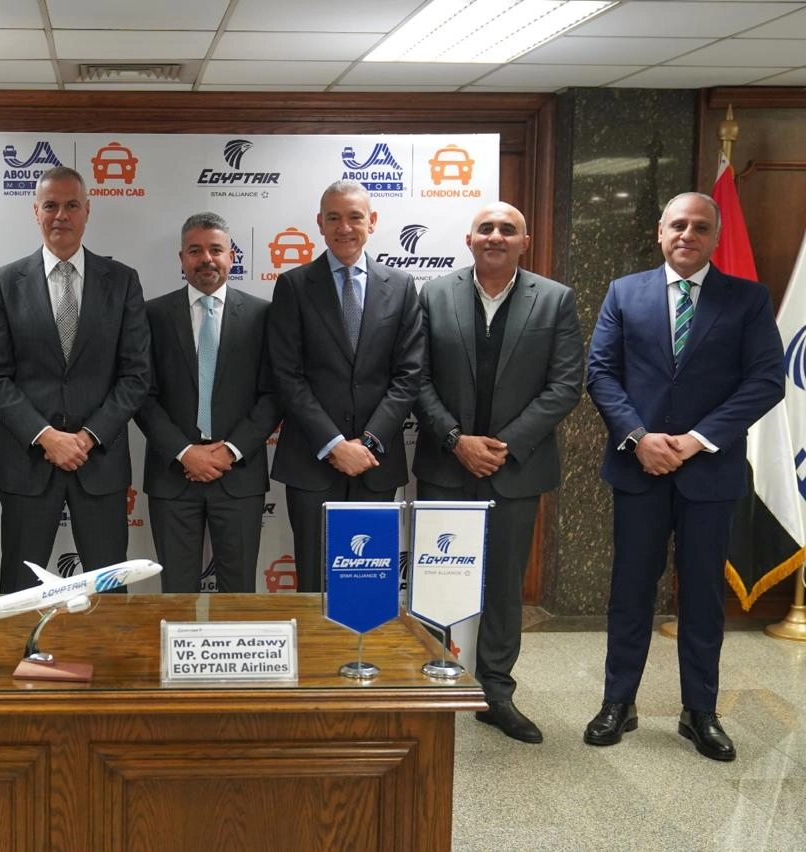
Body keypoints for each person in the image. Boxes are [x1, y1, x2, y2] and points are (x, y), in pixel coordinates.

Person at [584, 192, 784, 761]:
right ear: (660, 231)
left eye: (700, 227)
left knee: (702, 596)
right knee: (629, 591)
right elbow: (601, 373)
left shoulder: (747, 299)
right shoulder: (625, 292)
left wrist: (696, 440)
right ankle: (618, 702)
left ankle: (700, 711)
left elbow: (765, 381)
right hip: (639, 468)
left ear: (715, 237)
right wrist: (639, 438)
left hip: (710, 473)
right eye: (678, 225)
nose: (687, 235)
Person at [413, 201, 584, 744]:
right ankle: (430, 686)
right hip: (446, 463)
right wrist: (455, 440)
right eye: (485, 228)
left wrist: (502, 447)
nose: (495, 236)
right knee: (436, 582)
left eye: (507, 230)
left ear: (524, 242)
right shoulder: (434, 294)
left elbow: (565, 385)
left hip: (517, 469)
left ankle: (496, 694)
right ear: (468, 239)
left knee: (505, 586)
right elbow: (416, 377)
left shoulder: (555, 299)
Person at [0, 166, 150, 593]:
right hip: (28, 463)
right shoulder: (5, 282)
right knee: (19, 591)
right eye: (51, 205)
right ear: (35, 211)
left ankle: (109, 648)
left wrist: (88, 437)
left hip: (100, 462)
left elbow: (136, 374)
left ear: (87, 211)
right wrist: (46, 437)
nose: (61, 215)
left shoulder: (122, 281)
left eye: (72, 205)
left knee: (110, 590)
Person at [267, 180, 424, 593]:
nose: (344, 227)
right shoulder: (294, 286)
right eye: (333, 218)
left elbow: (408, 375)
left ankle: (364, 641)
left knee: (367, 585)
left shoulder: (401, 285)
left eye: (355, 217)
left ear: (372, 221)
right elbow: (287, 376)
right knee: (315, 585)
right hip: (312, 461)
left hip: (375, 464)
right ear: (320, 223)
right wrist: (335, 444)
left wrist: (368, 442)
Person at [134, 212, 281, 592]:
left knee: (239, 595)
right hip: (173, 476)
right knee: (176, 594)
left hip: (239, 476)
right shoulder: (152, 315)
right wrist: (185, 453)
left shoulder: (263, 315)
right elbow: (142, 394)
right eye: (195, 251)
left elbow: (273, 394)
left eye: (216, 250)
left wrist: (230, 451)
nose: (206, 259)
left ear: (231, 256)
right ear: (181, 258)